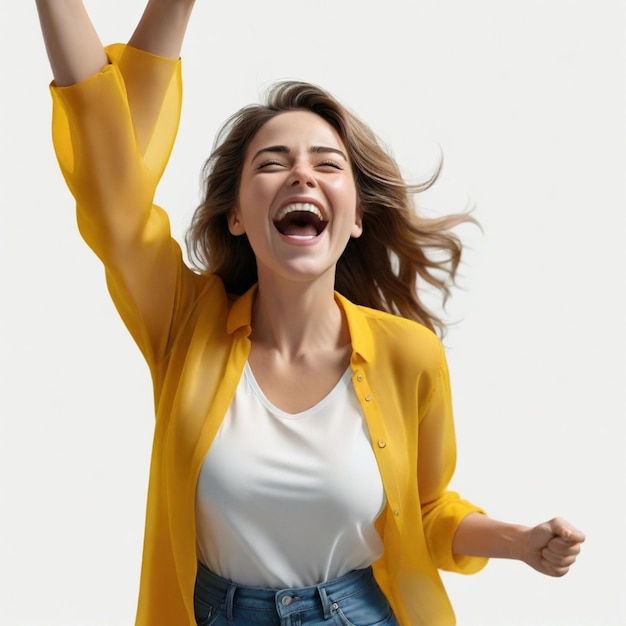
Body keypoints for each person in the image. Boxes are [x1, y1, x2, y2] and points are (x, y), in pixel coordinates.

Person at [35, 1, 585, 625]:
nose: (301, 174)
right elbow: (112, 196)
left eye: (327, 164)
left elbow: (425, 511)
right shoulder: (184, 325)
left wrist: (518, 541)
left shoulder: (409, 355)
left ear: (353, 219)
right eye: (272, 163)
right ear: (237, 216)